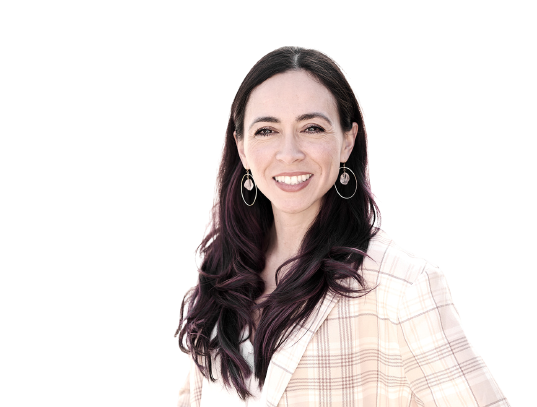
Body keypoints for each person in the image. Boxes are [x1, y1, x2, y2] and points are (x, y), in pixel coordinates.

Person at [176, 46, 510, 407]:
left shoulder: (401, 286)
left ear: (347, 141)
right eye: (266, 130)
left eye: (312, 127)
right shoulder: (221, 278)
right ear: (241, 147)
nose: (289, 153)